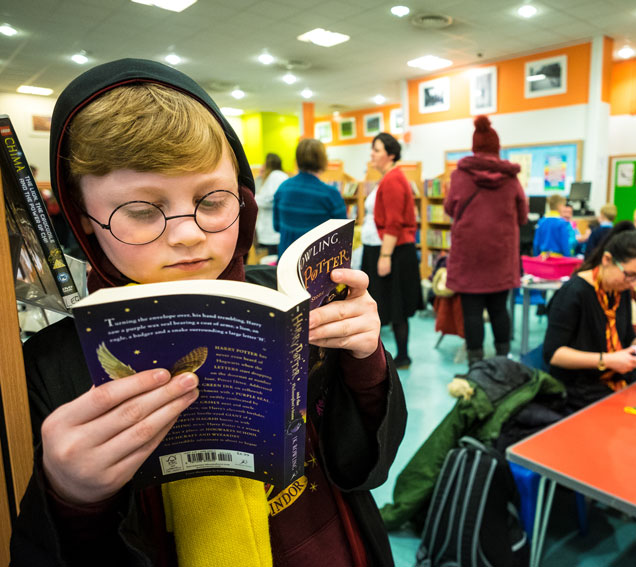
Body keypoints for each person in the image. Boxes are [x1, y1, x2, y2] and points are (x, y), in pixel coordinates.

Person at [10, 59, 406, 567]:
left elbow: (362, 462)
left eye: (212, 200)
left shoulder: (286, 300)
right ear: (84, 218)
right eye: (140, 210)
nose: (188, 234)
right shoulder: (49, 366)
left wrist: (365, 359)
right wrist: (71, 496)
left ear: (241, 197)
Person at [543, 223, 636, 412]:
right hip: (580, 385)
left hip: (615, 376)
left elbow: (629, 338)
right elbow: (553, 354)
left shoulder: (619, 289)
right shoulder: (574, 293)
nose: (634, 284)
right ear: (607, 259)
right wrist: (606, 360)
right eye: (630, 275)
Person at [445, 115, 528, 368]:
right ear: (497, 146)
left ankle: (477, 365)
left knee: (472, 313)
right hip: (501, 255)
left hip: (469, 255)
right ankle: (503, 362)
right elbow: (523, 215)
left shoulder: (460, 175)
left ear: (474, 146)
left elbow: (450, 208)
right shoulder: (511, 178)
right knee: (499, 309)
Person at [361, 132, 422, 369]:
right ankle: (389, 356)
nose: (372, 155)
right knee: (387, 304)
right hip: (382, 249)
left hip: (392, 252)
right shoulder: (387, 178)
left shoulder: (394, 179)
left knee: (396, 306)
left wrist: (385, 255)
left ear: (391, 154)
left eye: (376, 150)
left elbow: (395, 222)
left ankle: (403, 356)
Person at [273, 138, 346, 256]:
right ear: (323, 160)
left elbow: (276, 226)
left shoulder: (282, 188)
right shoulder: (330, 194)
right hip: (317, 264)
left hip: (286, 260)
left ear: (297, 160)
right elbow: (343, 236)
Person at [253, 152, 287, 257]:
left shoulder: (275, 176)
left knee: (271, 259)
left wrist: (253, 199)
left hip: (271, 229)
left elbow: (270, 199)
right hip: (272, 228)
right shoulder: (279, 176)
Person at [533, 193, 574, 257]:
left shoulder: (541, 221)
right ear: (559, 206)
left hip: (543, 257)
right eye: (564, 206)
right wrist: (568, 257)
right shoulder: (562, 223)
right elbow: (564, 244)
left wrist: (537, 257)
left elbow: (536, 243)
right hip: (558, 259)